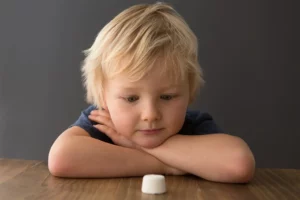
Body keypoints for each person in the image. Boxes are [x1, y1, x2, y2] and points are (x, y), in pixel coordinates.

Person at [48, 2, 255, 183]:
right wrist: (166, 166)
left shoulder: (192, 125)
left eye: (167, 97)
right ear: (103, 98)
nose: (150, 114)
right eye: (131, 98)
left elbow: (239, 164)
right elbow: (61, 158)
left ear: (189, 92)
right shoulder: (102, 121)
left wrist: (137, 145)